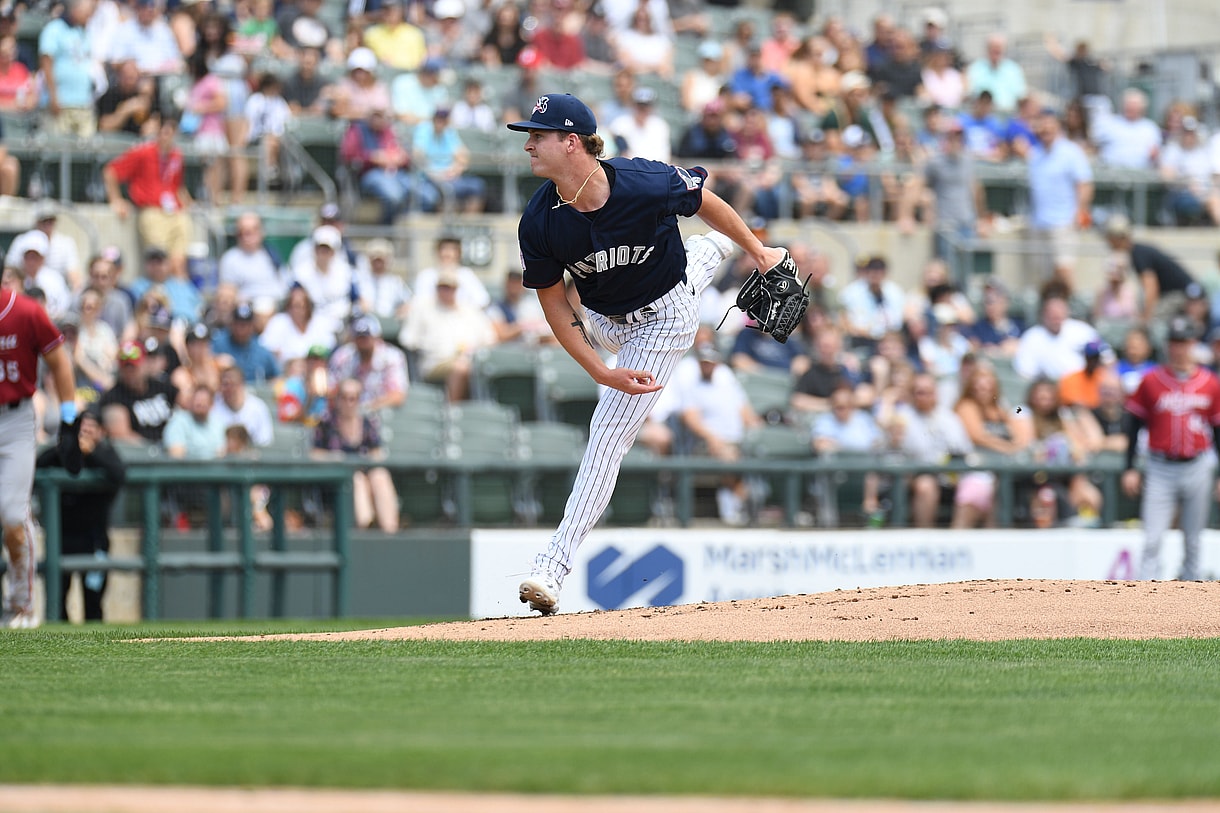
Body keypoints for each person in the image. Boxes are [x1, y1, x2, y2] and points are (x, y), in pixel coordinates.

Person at [506, 92, 787, 614]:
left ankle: (552, 566)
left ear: (572, 143)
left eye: (538, 135)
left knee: (607, 435)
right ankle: (710, 251)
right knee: (692, 265)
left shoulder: (642, 181)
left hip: (662, 321)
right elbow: (554, 304)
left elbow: (704, 201)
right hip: (601, 321)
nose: (528, 145)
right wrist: (599, 370)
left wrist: (759, 251)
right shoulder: (540, 220)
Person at [0, 285, 79, 628]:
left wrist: (69, 419)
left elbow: (59, 361)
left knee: (12, 515)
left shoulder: (26, 310)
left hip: (15, 418)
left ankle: (22, 605)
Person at [1123, 316, 1220, 581]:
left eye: (1184, 342)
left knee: (1193, 540)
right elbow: (1133, 425)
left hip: (1198, 465)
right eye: (1174, 342)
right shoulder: (1151, 380)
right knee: (1152, 539)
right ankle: (1145, 596)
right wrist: (1130, 466)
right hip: (1160, 466)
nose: (1179, 348)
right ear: (1168, 345)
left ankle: (1190, 599)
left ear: (1193, 343)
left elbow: (1217, 430)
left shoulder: (1210, 382)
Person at [35, 409, 126, 622]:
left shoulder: (106, 452)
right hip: (62, 538)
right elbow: (39, 465)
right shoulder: (60, 455)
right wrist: (67, 448)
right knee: (57, 601)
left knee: (93, 602)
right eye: (81, 428)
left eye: (91, 427)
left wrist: (91, 452)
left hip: (94, 540)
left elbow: (119, 474)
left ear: (101, 431)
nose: (85, 432)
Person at [103, 116, 195, 282]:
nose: (166, 137)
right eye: (163, 132)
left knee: (179, 263)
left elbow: (178, 186)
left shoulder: (176, 155)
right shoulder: (143, 152)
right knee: (159, 262)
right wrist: (116, 200)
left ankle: (178, 293)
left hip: (175, 212)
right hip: (152, 211)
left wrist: (189, 203)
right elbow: (111, 171)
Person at [312, 378, 399, 533]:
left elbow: (377, 453)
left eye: (353, 398)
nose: (348, 403)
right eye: (344, 397)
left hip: (366, 476)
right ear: (337, 399)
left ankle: (389, 531)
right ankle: (364, 530)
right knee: (356, 479)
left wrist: (366, 464)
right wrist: (335, 458)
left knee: (380, 476)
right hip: (336, 484)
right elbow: (314, 455)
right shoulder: (326, 424)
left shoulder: (367, 424)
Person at [1025, 107, 1094, 288]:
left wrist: (1080, 211)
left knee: (1064, 272)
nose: (1045, 129)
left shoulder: (1071, 152)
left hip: (1063, 222)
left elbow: (1085, 184)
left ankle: (1071, 305)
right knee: (1042, 278)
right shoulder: (1035, 154)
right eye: (1042, 125)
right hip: (1039, 223)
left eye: (1049, 125)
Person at [1102, 214, 1198, 326]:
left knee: (1154, 324)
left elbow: (1151, 288)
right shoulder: (1138, 251)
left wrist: (1146, 318)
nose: (1109, 244)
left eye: (1110, 239)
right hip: (1178, 294)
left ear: (1118, 238)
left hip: (1181, 295)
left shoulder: (1138, 254)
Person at [98, 340, 178, 443]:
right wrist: (155, 449)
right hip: (140, 451)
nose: (130, 372)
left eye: (134, 367)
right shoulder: (113, 398)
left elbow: (187, 404)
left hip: (174, 444)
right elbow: (121, 436)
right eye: (126, 367)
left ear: (145, 364)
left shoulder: (159, 386)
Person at [327, 315, 408, 413]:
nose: (363, 341)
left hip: (379, 413)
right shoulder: (343, 356)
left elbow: (398, 396)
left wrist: (366, 409)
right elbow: (330, 390)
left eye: (366, 337)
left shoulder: (392, 357)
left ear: (377, 337)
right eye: (359, 337)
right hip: (345, 413)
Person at [163, 384, 226, 459]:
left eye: (204, 401)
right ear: (190, 402)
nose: (200, 403)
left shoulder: (217, 425)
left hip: (214, 466)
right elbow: (176, 455)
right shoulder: (178, 422)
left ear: (211, 405)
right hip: (187, 466)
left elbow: (222, 453)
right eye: (197, 400)